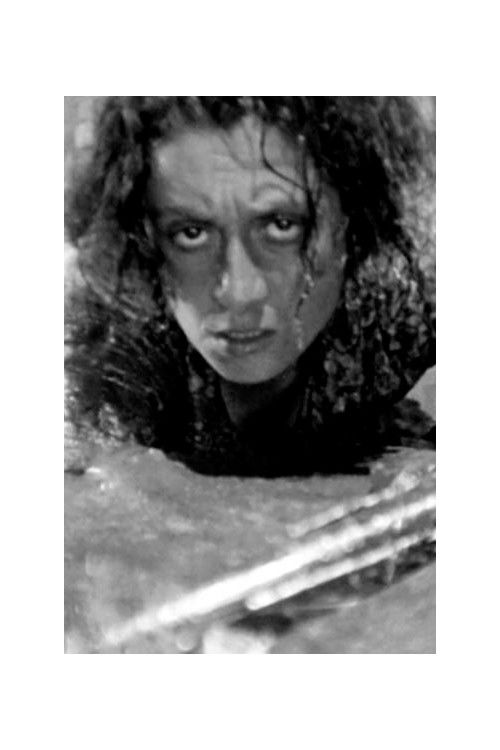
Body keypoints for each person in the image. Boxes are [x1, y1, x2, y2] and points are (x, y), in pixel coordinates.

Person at [65, 96, 435, 476]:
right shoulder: (107, 359)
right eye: (191, 233)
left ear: (353, 221)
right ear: (143, 239)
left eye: (281, 225)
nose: (239, 292)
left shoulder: (398, 298)